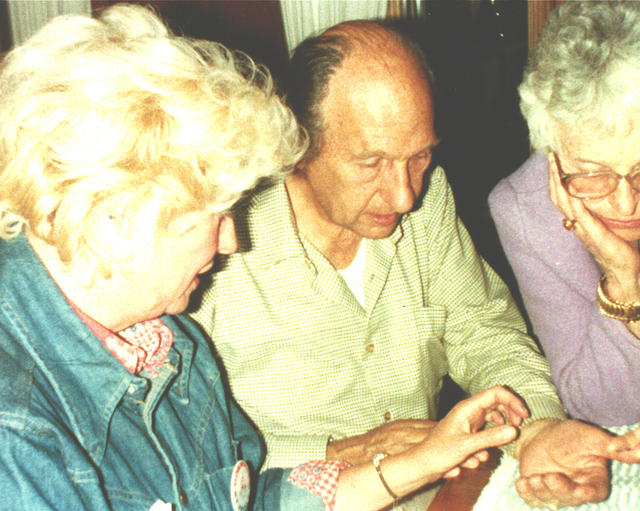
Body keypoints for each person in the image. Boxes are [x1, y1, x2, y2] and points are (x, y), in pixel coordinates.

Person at [0, 4, 542, 511]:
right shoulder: (17, 431)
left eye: (419, 157)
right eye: (214, 216)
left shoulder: (166, 341)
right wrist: (350, 451)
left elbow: (244, 496)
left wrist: (409, 467)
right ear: (118, 218)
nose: (233, 241)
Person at [191, 18, 640, 510]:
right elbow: (185, 451)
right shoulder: (213, 249)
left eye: (420, 158)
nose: (405, 194)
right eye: (371, 163)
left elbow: (485, 331)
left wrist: (537, 429)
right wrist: (341, 453)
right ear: (298, 144)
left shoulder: (429, 202)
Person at [489, 1, 640, 428]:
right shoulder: (527, 210)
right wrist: (624, 282)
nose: (626, 203)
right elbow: (597, 408)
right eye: (592, 175)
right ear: (549, 149)